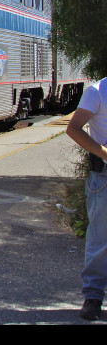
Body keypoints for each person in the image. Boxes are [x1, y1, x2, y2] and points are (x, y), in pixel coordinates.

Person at [66, 78, 107, 320]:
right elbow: (73, 129)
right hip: (104, 177)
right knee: (100, 240)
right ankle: (93, 297)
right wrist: (104, 154)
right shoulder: (97, 91)